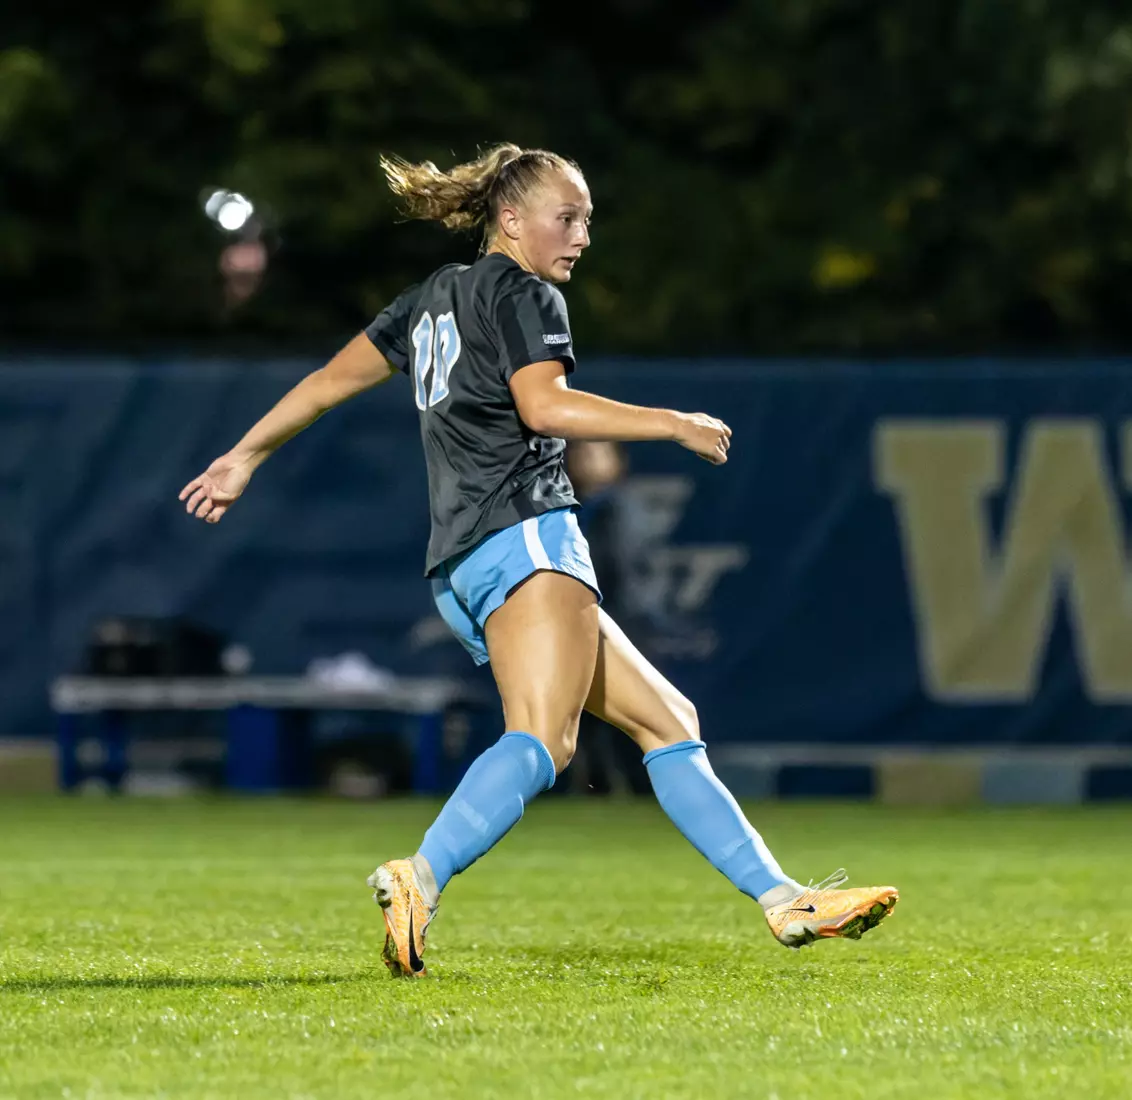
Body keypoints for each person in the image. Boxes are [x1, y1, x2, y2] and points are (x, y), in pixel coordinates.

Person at [179, 143, 898, 978]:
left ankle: (783, 900)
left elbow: (328, 381)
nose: (583, 235)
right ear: (511, 219)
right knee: (544, 742)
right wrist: (673, 422)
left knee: (669, 722)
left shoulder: (429, 301)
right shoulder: (525, 292)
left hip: (463, 561)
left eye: (587, 218)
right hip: (526, 540)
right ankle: (421, 874)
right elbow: (543, 403)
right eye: (569, 216)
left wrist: (244, 455)